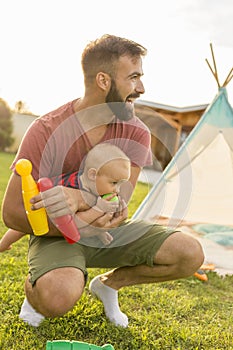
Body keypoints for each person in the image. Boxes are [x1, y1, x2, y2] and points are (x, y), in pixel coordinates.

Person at [2, 34, 204, 328]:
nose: (141, 88)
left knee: (189, 253)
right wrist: (72, 223)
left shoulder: (136, 132)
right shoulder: (45, 129)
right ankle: (38, 286)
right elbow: (12, 213)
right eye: (133, 77)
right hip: (55, 235)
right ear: (103, 80)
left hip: (107, 231)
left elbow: (119, 205)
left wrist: (80, 199)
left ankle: (109, 284)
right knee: (57, 296)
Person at [0, 143, 131, 251]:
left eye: (120, 184)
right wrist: (99, 209)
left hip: (60, 213)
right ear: (92, 175)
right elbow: (76, 223)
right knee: (25, 226)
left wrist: (100, 231)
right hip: (46, 205)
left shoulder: (95, 185)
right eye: (114, 183)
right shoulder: (74, 186)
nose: (117, 190)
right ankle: (3, 244)